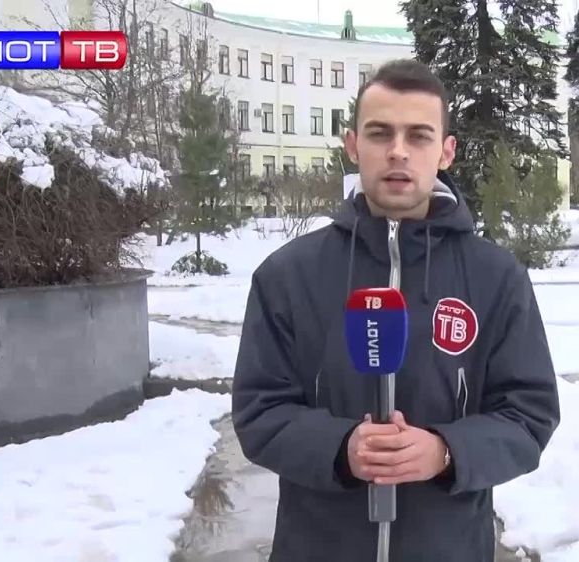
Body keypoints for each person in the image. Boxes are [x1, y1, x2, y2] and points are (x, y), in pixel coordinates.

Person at [231, 58, 561, 562]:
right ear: (352, 145)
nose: (398, 151)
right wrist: (341, 448)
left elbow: (529, 415)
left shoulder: (496, 278)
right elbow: (259, 412)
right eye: (380, 133)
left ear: (446, 151)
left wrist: (446, 451)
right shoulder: (287, 276)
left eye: (419, 136)